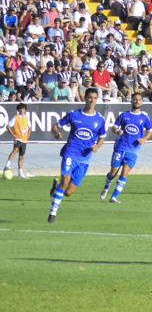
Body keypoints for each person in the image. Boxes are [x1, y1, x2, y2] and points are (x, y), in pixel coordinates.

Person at [48, 88, 107, 223]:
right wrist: (55, 133)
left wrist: (96, 147)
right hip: (70, 152)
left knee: (68, 192)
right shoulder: (74, 114)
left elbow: (102, 138)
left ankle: (56, 187)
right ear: (84, 98)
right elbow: (55, 126)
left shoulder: (100, 119)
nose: (92, 100)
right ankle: (52, 215)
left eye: (94, 98)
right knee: (65, 180)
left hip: (85, 159)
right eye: (90, 97)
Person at [101, 93, 152, 203]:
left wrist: (144, 139)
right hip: (121, 147)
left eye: (139, 99)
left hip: (133, 150)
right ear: (131, 101)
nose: (137, 101)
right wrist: (117, 131)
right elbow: (114, 127)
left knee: (125, 172)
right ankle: (107, 185)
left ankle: (114, 197)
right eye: (135, 99)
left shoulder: (144, 118)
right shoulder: (124, 115)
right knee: (113, 173)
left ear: (142, 102)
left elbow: (150, 131)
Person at [5, 102, 33, 178]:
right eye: (20, 109)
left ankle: (20, 173)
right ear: (18, 110)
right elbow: (8, 126)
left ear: (25, 110)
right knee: (15, 150)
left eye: (23, 109)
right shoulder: (16, 117)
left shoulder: (26, 118)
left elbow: (30, 127)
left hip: (24, 139)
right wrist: (13, 134)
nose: (21, 110)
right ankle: (7, 165)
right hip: (18, 138)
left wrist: (27, 136)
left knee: (22, 156)